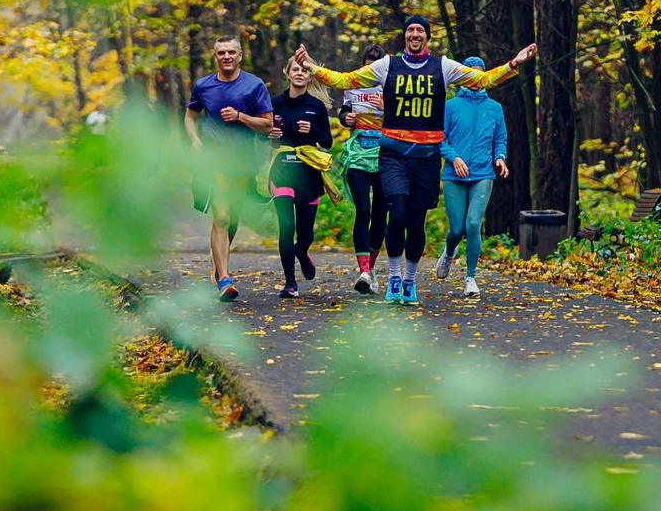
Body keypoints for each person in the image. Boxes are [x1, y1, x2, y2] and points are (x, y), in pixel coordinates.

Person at [295, 16, 535, 306]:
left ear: (428, 37)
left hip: (427, 157)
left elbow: (481, 79)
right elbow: (346, 80)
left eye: (420, 30)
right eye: (410, 29)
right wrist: (312, 67)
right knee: (396, 214)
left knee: (415, 221)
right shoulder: (388, 66)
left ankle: (410, 280)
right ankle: (394, 277)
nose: (414, 34)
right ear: (405, 37)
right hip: (394, 153)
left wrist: (514, 63)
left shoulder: (443, 67)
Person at [184, 35, 274, 301]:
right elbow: (190, 117)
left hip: (243, 162)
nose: (226, 57)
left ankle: (218, 266)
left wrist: (240, 117)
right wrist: (196, 140)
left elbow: (267, 125)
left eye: (231, 52)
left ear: (240, 56)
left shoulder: (254, 85)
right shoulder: (203, 85)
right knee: (221, 216)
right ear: (215, 56)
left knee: (232, 217)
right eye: (221, 53)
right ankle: (224, 279)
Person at [435, 56, 508, 298]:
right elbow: (438, 139)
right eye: (470, 75)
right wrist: (454, 158)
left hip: (483, 173)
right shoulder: (450, 106)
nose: (475, 80)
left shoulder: (495, 108)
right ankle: (448, 251)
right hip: (454, 175)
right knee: (457, 229)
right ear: (462, 77)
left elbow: (500, 139)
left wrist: (500, 157)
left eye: (479, 75)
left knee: (473, 224)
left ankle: (470, 277)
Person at [266, 54, 334, 298]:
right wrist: (270, 136)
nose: (299, 74)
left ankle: (302, 251)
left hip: (308, 172)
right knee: (286, 226)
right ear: (287, 72)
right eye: (295, 69)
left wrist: (313, 129)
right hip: (282, 168)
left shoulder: (316, 106)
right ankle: (290, 283)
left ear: (309, 75)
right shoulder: (274, 103)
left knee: (305, 233)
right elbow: (264, 140)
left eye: (304, 71)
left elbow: (327, 141)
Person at [338, 43, 388, 295]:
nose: (370, 69)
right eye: (367, 63)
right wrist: (344, 117)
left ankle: (372, 269)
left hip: (385, 156)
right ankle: (364, 270)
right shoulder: (353, 84)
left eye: (375, 65)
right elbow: (344, 112)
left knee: (380, 213)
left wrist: (388, 106)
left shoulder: (391, 86)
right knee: (364, 210)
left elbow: (406, 119)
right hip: (358, 154)